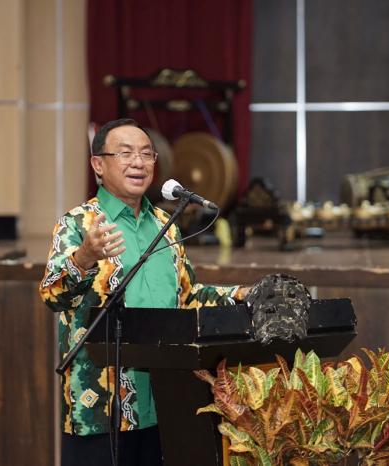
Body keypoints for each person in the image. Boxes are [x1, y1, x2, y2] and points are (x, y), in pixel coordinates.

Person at [39, 118, 249, 466]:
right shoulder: (78, 224)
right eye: (125, 153)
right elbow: (52, 295)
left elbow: (187, 298)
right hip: (100, 408)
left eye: (146, 154)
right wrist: (84, 257)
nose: (138, 162)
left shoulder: (166, 227)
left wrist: (242, 294)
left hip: (166, 403)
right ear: (98, 165)